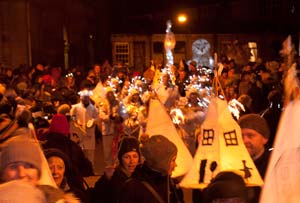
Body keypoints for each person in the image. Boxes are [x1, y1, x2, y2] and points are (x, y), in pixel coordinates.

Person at [119, 135, 184, 203]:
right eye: (173, 160)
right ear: (161, 161)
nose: (176, 165)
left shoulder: (173, 184)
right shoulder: (132, 188)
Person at [92, 136, 141, 203]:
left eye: (135, 156)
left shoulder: (142, 176)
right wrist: (105, 179)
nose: (132, 161)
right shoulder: (114, 178)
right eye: (127, 157)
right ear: (120, 159)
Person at [238, 113, 271, 203]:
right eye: (241, 136)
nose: (244, 141)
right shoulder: (231, 163)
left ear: (264, 138)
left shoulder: (273, 165)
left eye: (250, 135)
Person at [70, 89, 99, 170]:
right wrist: (76, 121)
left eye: (87, 97)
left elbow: (97, 118)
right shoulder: (75, 107)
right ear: (81, 98)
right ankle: (78, 170)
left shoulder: (93, 109)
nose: (85, 99)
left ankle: (90, 170)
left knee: (89, 154)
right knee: (78, 152)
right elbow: (72, 116)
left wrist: (92, 121)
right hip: (79, 133)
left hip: (89, 134)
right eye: (84, 97)